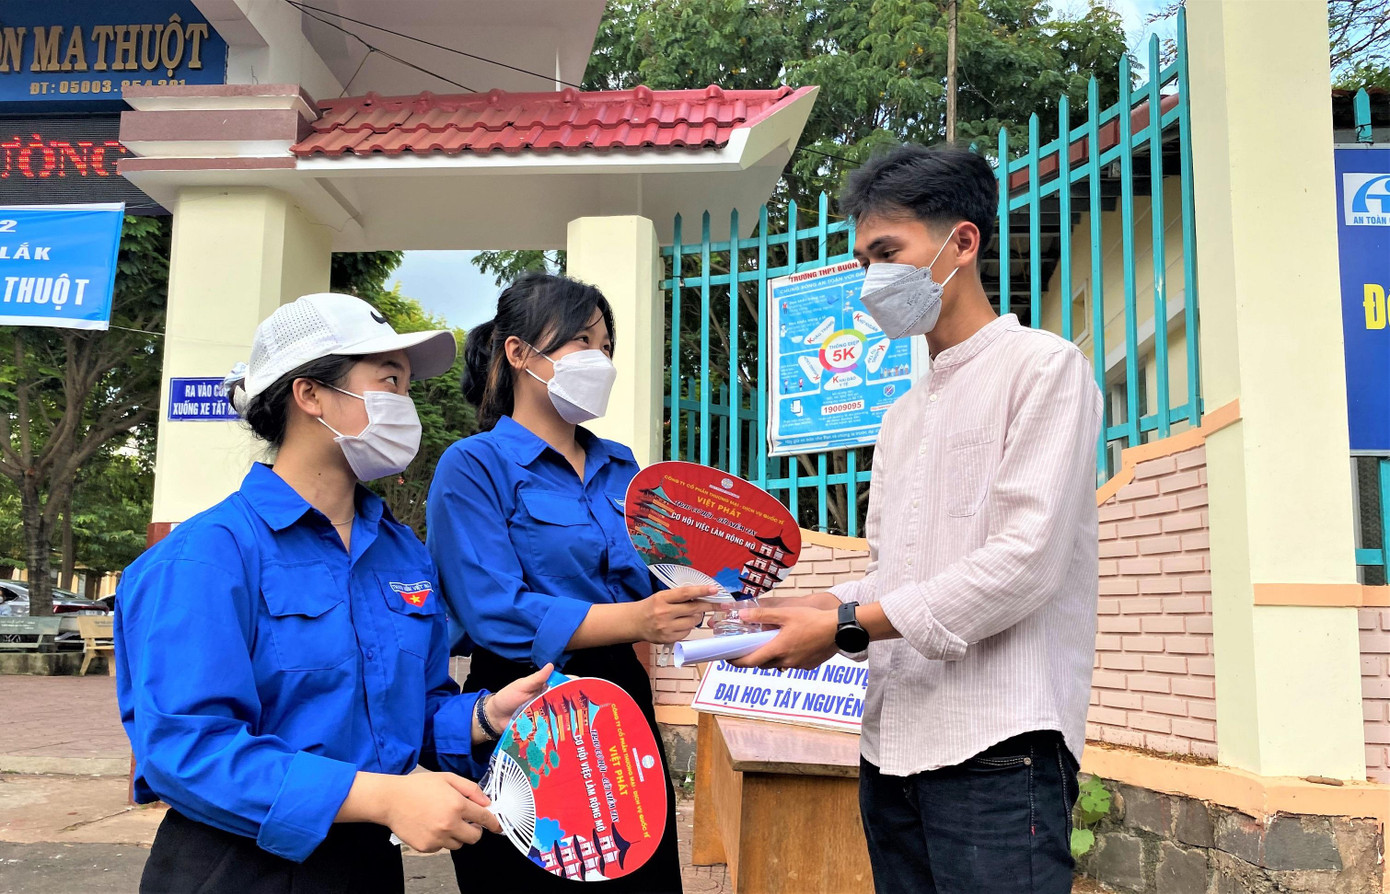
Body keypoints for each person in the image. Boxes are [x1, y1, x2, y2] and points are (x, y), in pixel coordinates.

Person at [734, 145, 1103, 894]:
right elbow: (900, 574)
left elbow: (1023, 562)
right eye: (864, 257)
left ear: (962, 242)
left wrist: (845, 627)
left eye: (887, 252)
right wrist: (827, 605)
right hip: (892, 749)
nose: (873, 279)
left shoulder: (1045, 369)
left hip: (998, 748)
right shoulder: (902, 415)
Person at [115, 292, 553, 894]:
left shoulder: (401, 553)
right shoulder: (207, 555)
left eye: (406, 388)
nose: (405, 405)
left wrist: (482, 715)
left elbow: (406, 713)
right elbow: (186, 749)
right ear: (310, 395)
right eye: (389, 382)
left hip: (367, 862)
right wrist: (380, 795)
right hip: (238, 866)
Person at [427, 272, 712, 893]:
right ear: (520, 353)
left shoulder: (623, 468)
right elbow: (494, 610)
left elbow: (657, 573)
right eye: (581, 342)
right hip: (521, 700)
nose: (600, 361)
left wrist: (716, 587)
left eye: (606, 346)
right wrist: (638, 619)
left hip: (623, 699)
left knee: (640, 873)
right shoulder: (473, 467)